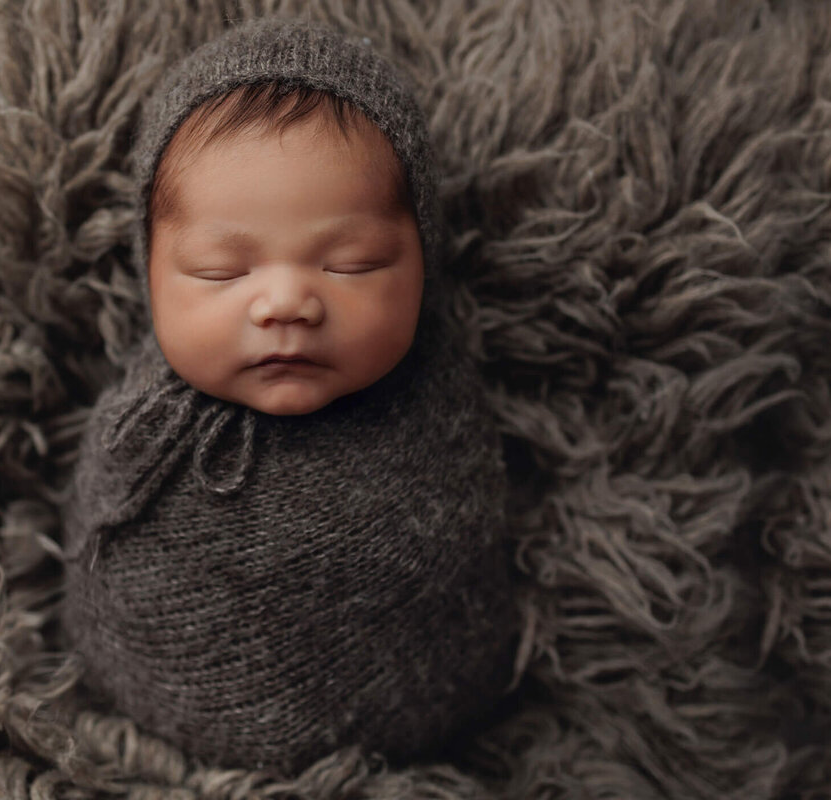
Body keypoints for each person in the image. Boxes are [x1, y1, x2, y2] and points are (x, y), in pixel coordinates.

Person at [61, 17, 517, 776]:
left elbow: (459, 593)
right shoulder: (141, 431)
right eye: (218, 271)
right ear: (151, 276)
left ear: (423, 259)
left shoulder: (440, 431)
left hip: (410, 756)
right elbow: (99, 557)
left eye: (350, 264)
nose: (285, 303)